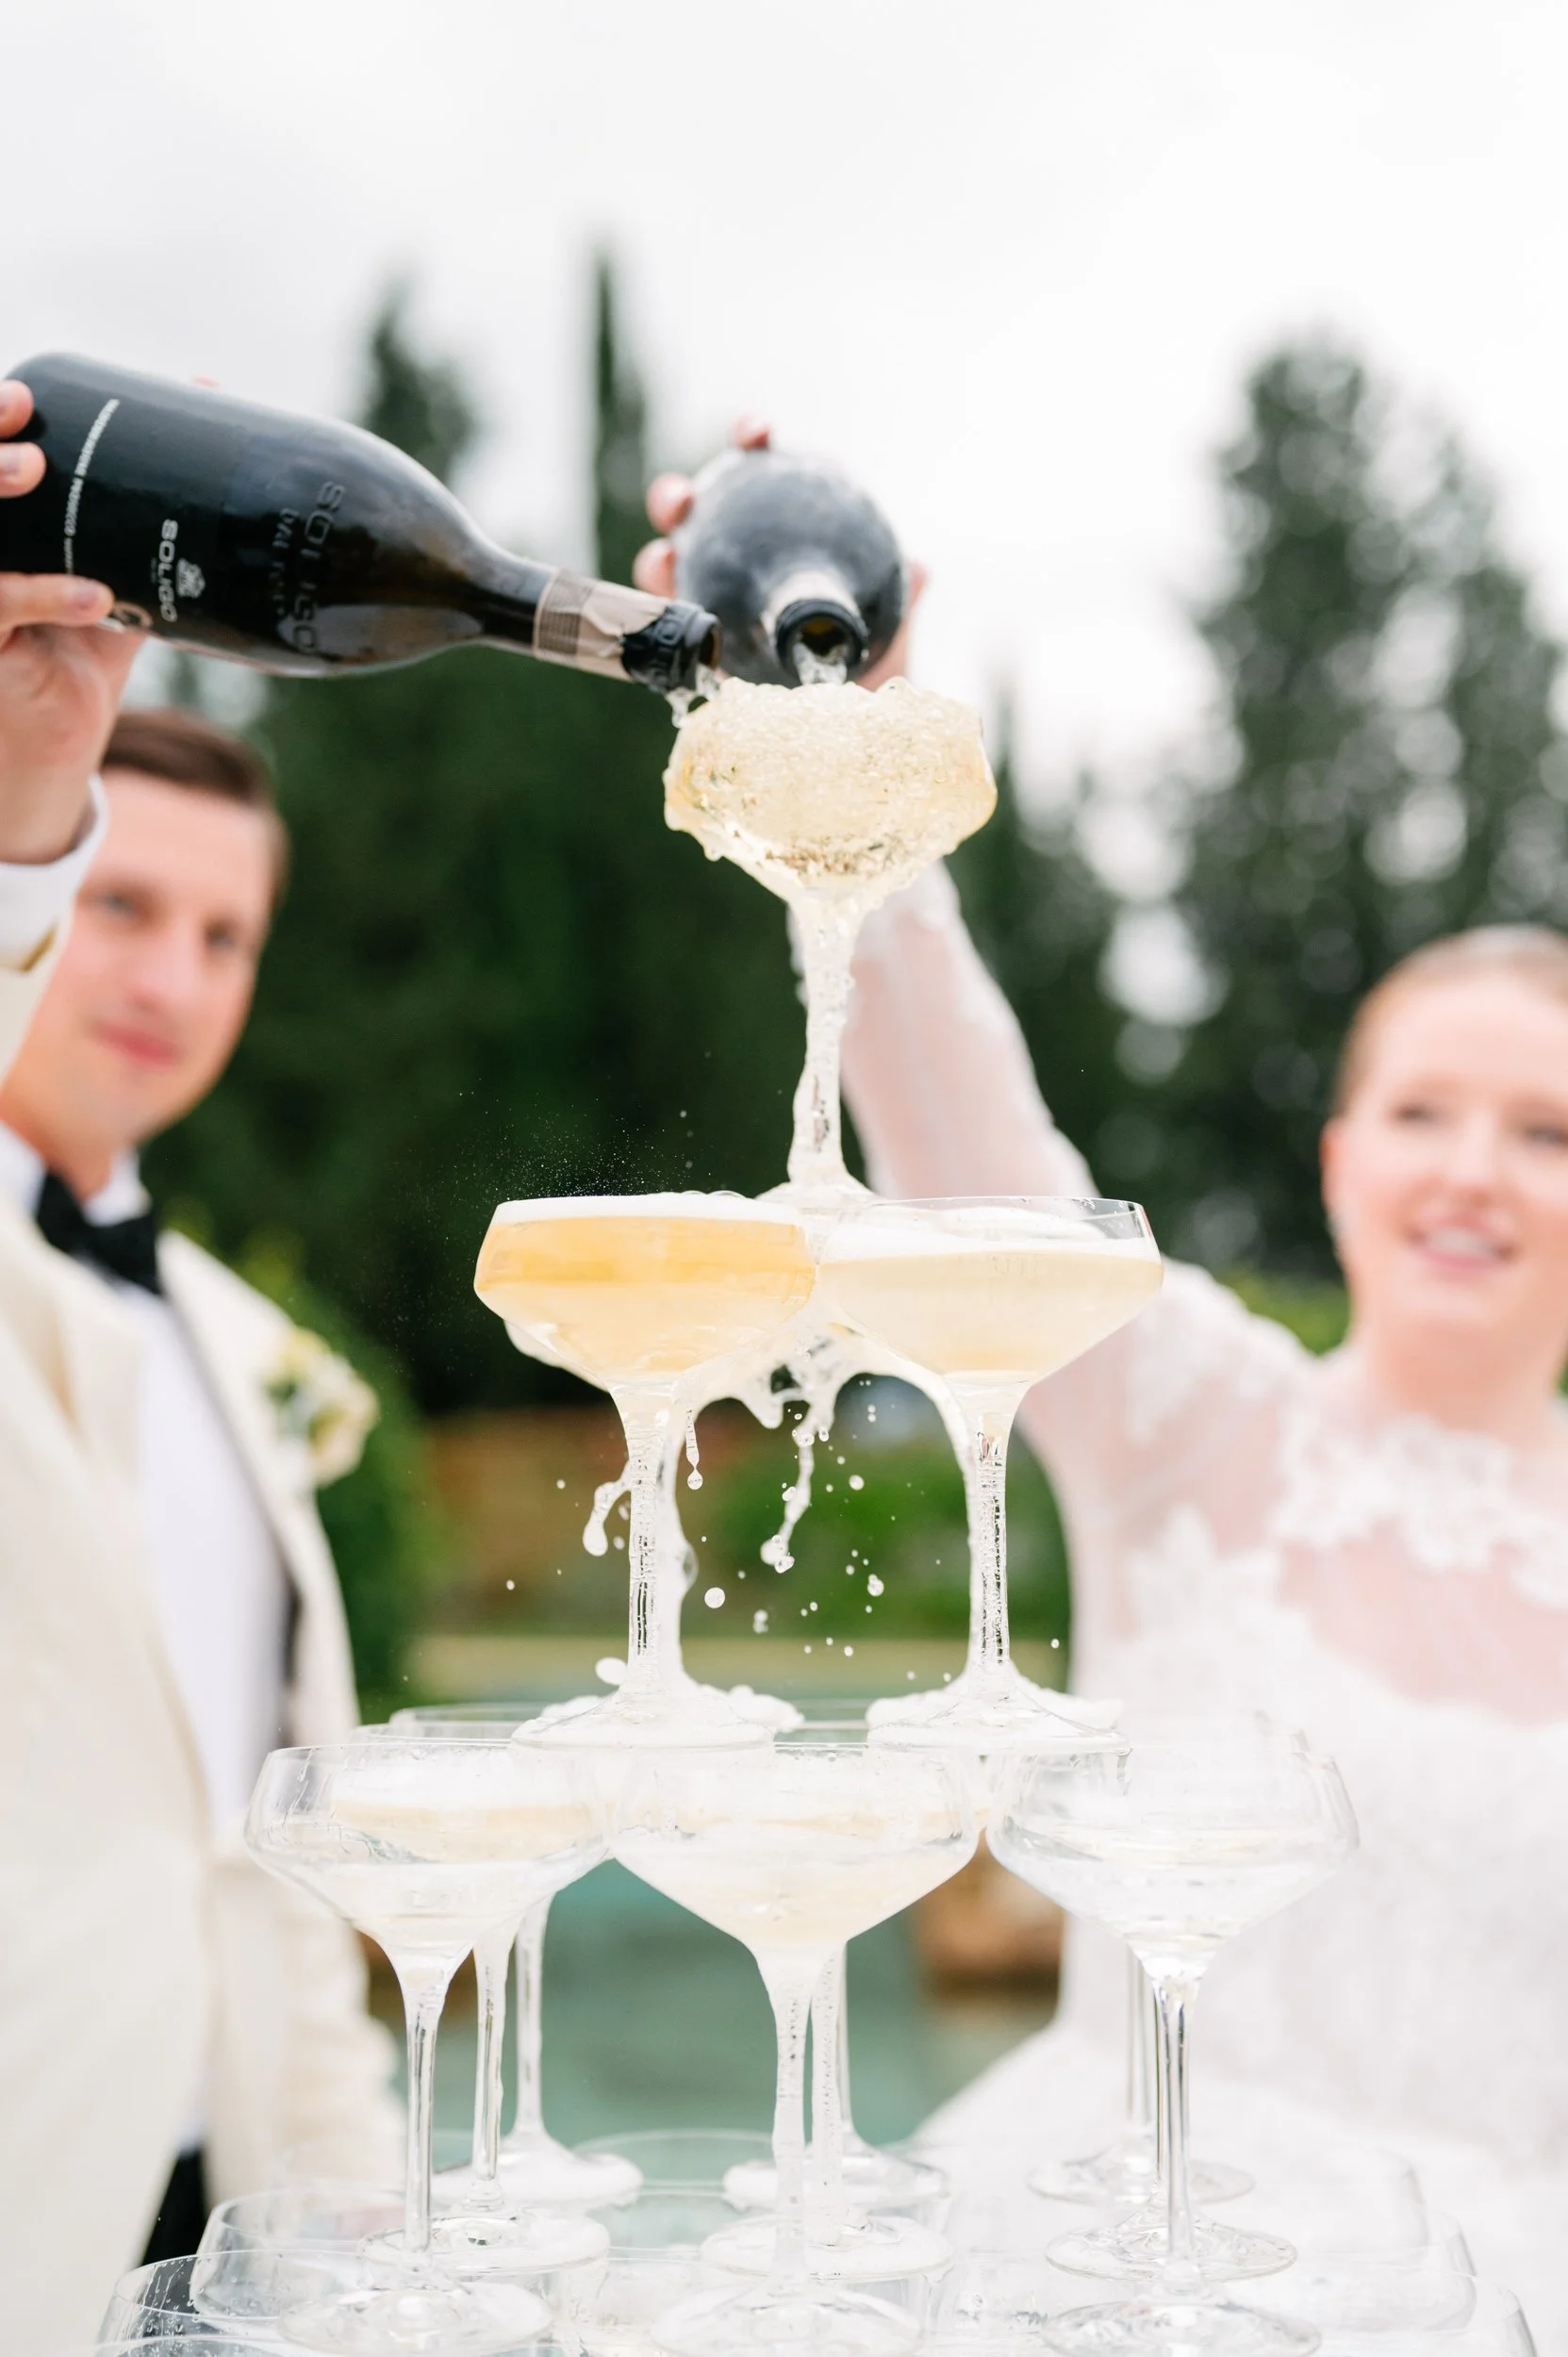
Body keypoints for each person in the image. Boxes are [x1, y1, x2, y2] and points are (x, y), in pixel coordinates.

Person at [640, 437, 1568, 2332]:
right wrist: (859, 747)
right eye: (1422, 1111)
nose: (1475, 1167)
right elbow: (971, 1142)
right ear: (1336, 1160)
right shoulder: (1192, 1420)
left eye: (1546, 1129)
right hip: (1100, 2271)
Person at [0, 380, 397, 2348]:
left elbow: (278, 1871)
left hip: (222, 2228)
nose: (168, 980)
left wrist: (356, 2240)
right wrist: (24, 801)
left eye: (226, 937)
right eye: (119, 903)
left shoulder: (249, 1358)